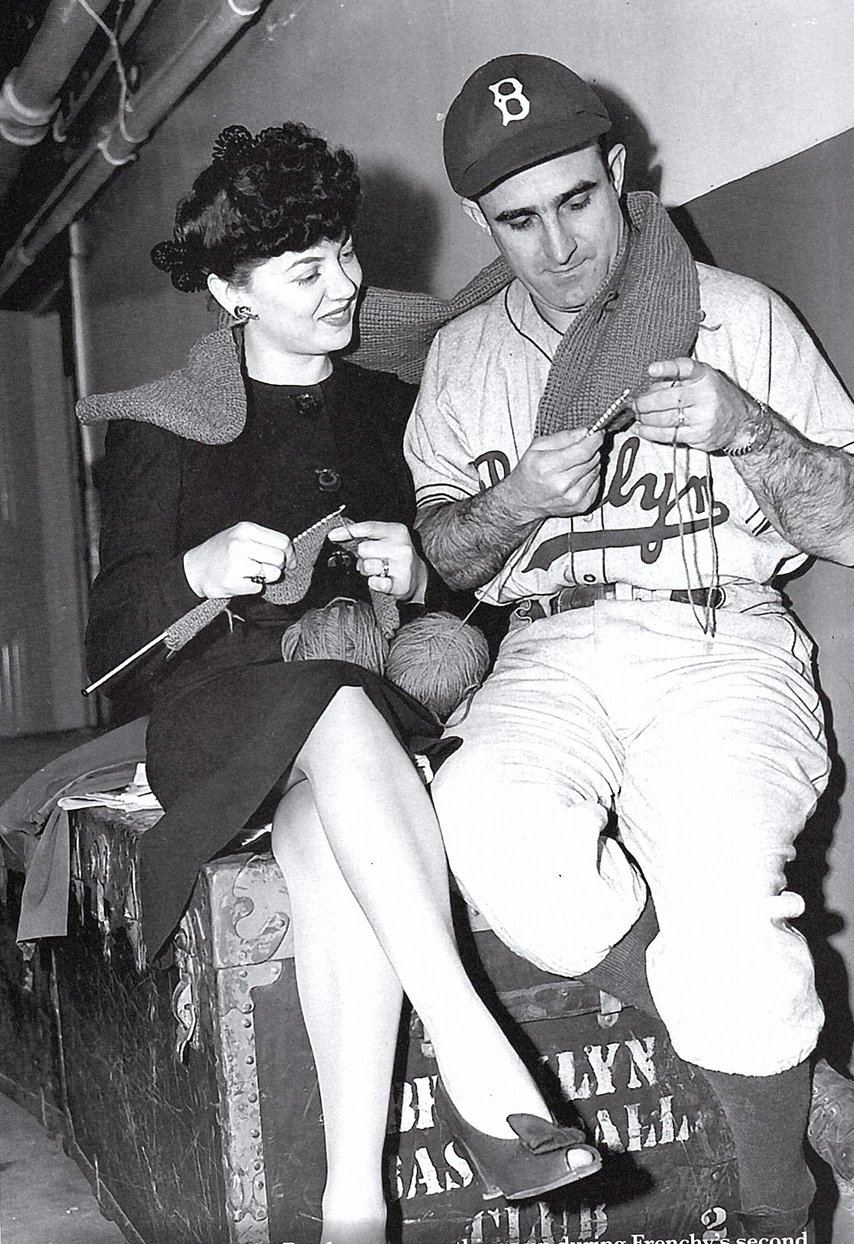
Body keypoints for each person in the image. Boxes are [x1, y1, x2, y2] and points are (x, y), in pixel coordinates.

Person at [79, 121, 602, 1244]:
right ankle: (475, 1049)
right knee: (336, 699)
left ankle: (351, 1207)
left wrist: (420, 570)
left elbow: (466, 594)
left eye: (346, 254)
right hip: (219, 715)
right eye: (304, 270)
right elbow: (108, 647)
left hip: (355, 731)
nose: (345, 285)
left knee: (326, 841)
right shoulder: (159, 427)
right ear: (230, 291)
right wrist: (194, 569)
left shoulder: (389, 399)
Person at [403, 54, 854, 1235]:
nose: (557, 247)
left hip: (720, 635)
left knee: (728, 910)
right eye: (517, 220)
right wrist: (513, 503)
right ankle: (797, 1085)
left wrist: (747, 429)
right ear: (480, 223)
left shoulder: (738, 313)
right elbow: (445, 558)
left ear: (616, 172)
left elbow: (847, 523)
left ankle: (777, 1208)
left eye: (576, 201)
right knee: (482, 818)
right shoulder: (462, 356)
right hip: (546, 648)